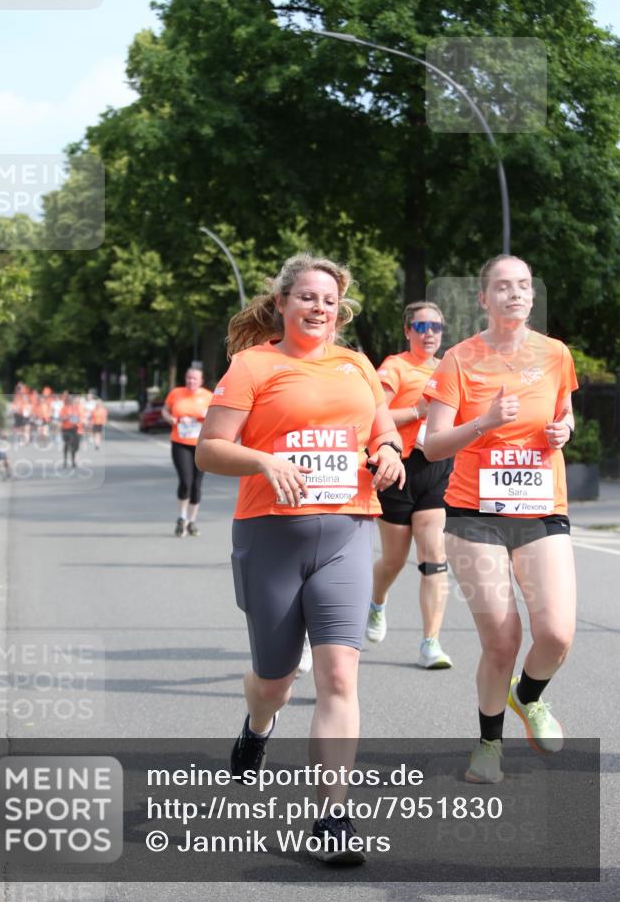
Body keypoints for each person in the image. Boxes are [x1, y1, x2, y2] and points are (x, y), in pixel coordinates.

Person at [196, 253, 405, 862]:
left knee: (339, 675)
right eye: (308, 298)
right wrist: (264, 460)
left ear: (340, 311)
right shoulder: (253, 365)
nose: (319, 308)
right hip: (269, 536)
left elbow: (382, 431)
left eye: (329, 301)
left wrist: (389, 453)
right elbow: (210, 450)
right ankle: (257, 727)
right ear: (283, 304)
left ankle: (332, 818)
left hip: (345, 532)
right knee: (275, 682)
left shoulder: (357, 365)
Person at [424, 255, 577, 784]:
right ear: (483, 299)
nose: (515, 294)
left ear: (532, 296)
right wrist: (484, 423)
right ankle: (489, 743)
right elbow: (431, 442)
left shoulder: (556, 354)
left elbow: (564, 413)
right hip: (475, 515)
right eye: (503, 287)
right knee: (503, 639)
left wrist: (565, 432)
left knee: (556, 634)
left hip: (540, 510)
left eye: (524, 286)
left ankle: (527, 696)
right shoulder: (459, 360)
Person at [366, 302, 453, 669]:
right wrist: (418, 410)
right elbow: (375, 414)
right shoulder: (395, 366)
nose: (429, 332)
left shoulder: (452, 368)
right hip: (397, 469)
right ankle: (377, 602)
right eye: (421, 326)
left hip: (436, 468)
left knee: (434, 556)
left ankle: (430, 642)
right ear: (407, 331)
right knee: (395, 559)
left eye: (436, 325)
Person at [162, 367, 213, 537]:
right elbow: (165, 410)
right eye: (189, 378)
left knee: (197, 484)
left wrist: (207, 417)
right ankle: (181, 518)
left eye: (195, 379)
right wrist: (169, 418)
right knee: (186, 481)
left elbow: (216, 417)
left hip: (201, 445)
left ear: (201, 381)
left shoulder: (208, 396)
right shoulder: (176, 393)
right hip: (180, 442)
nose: (191, 381)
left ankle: (192, 521)